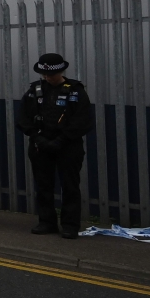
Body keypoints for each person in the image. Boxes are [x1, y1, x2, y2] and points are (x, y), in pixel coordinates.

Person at [17, 53, 93, 239]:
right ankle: (46, 222)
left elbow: (83, 120)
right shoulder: (34, 90)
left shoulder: (76, 91)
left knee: (70, 186)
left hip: (68, 146)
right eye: (45, 74)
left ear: (62, 71)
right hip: (40, 145)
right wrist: (37, 137)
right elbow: (22, 118)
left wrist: (61, 140)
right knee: (43, 185)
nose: (48, 77)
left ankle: (69, 225)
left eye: (52, 74)